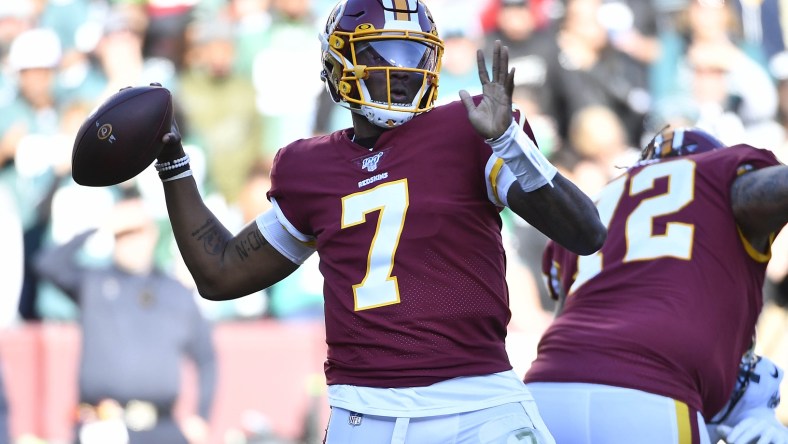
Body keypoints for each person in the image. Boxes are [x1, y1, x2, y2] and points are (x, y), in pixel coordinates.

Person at [148, 0, 606, 442]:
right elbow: (221, 273)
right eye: (382, 51)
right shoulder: (309, 167)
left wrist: (509, 143)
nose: (402, 69)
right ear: (336, 65)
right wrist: (173, 164)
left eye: (415, 53)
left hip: (477, 403)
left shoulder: (468, 132)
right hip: (365, 413)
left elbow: (585, 233)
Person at [524, 127, 788, 443]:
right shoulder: (718, 181)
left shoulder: (592, 205)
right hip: (652, 392)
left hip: (546, 388)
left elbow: (565, 307)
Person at [33, 191, 217, 444]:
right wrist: (100, 224)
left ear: (152, 234)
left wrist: (201, 416)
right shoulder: (94, 283)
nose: (130, 241)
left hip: (160, 428)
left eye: (136, 231)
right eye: (122, 234)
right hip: (102, 424)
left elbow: (206, 357)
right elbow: (47, 264)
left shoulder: (176, 292)